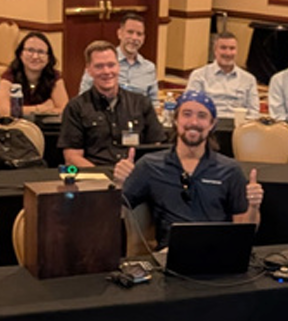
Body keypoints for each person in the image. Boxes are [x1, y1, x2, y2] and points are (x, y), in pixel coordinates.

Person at [113, 90, 263, 249]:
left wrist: (253, 207)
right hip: (169, 254)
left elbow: (245, 230)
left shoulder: (230, 170)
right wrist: (119, 184)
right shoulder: (149, 165)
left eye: (202, 116)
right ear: (175, 119)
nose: (194, 122)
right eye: (187, 114)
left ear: (212, 124)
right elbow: (117, 211)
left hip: (217, 252)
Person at [59, 41, 165, 167]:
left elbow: (156, 147)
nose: (106, 71)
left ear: (118, 67)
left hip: (135, 173)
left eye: (111, 65)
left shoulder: (141, 103)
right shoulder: (76, 107)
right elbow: (72, 157)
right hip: (94, 174)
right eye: (99, 66)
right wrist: (101, 175)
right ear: (88, 70)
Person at [79, 12, 159, 107]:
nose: (134, 38)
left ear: (143, 38)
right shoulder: (101, 62)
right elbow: (83, 98)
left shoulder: (149, 68)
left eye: (139, 34)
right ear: (119, 33)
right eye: (130, 32)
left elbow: (154, 104)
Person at [186, 31, 260, 119]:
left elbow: (254, 111)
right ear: (215, 51)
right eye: (223, 48)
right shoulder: (199, 75)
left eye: (232, 48)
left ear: (236, 51)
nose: (228, 53)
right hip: (209, 122)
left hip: (238, 123)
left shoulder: (249, 79)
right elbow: (190, 105)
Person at [0, 32, 69, 117]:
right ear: (20, 54)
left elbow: (64, 110)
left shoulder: (54, 76)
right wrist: (40, 109)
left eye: (41, 52)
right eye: (30, 50)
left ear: (48, 58)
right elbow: (5, 112)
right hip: (16, 124)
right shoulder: (9, 75)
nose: (35, 56)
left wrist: (20, 110)